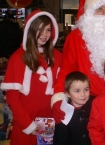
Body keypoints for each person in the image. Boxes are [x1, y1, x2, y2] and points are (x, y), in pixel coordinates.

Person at [0, 10, 62, 145]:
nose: (44, 35)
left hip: (50, 121)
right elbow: (12, 97)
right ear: (30, 30)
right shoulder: (18, 58)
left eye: (48, 30)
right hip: (26, 122)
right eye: (39, 29)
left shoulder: (57, 56)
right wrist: (28, 125)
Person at [53, 71, 94, 145]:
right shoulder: (63, 113)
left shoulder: (95, 105)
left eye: (86, 89)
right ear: (68, 93)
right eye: (77, 91)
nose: (83, 94)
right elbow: (59, 140)